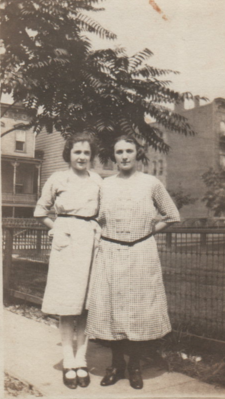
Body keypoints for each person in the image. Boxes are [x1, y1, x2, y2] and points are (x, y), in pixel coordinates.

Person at [86, 135, 180, 390]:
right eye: (119, 152)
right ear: (114, 155)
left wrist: (150, 232)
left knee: (138, 311)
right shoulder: (105, 185)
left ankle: (135, 366)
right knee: (112, 309)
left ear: (138, 153)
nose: (124, 156)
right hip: (110, 252)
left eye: (129, 151)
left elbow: (172, 215)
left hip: (141, 252)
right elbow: (93, 217)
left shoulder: (151, 183)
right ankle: (116, 365)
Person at [34, 133, 102, 389]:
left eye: (86, 153)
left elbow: (102, 213)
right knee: (67, 304)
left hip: (91, 243)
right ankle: (68, 360)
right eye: (77, 152)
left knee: (85, 305)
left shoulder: (97, 180)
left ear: (91, 156)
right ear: (69, 154)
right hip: (66, 243)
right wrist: (57, 229)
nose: (82, 157)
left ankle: (81, 360)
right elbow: (41, 211)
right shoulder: (57, 178)